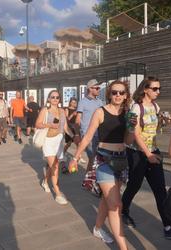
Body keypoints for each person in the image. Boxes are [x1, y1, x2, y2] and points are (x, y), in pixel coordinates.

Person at [69, 80, 136, 249]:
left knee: (107, 202)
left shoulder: (128, 114)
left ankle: (98, 228)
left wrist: (132, 128)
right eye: (114, 92)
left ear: (126, 95)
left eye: (121, 92)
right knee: (116, 205)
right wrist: (75, 157)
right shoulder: (100, 112)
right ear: (109, 94)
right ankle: (123, 247)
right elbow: (87, 137)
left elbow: (128, 141)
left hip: (121, 160)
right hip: (104, 160)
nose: (118, 95)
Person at [121, 77, 171, 239]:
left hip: (153, 151)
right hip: (138, 153)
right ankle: (123, 210)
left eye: (159, 88)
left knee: (160, 190)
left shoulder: (155, 106)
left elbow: (155, 129)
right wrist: (147, 154)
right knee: (134, 185)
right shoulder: (136, 108)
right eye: (155, 88)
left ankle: (168, 226)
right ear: (145, 89)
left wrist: (164, 122)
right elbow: (135, 133)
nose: (158, 91)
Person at [36, 90, 74, 205]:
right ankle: (58, 193)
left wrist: (74, 136)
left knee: (53, 165)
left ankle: (45, 181)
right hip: (48, 141)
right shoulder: (45, 110)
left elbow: (66, 127)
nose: (55, 99)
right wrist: (50, 125)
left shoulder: (62, 111)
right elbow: (37, 124)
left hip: (59, 141)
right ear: (48, 99)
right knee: (55, 166)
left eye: (57, 97)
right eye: (52, 97)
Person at [74, 79, 103, 190]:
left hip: (99, 134)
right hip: (88, 135)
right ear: (89, 88)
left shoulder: (100, 102)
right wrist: (77, 134)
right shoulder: (83, 101)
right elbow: (78, 119)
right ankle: (90, 182)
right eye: (96, 88)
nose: (98, 89)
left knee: (96, 159)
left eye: (98, 88)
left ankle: (89, 180)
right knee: (93, 159)